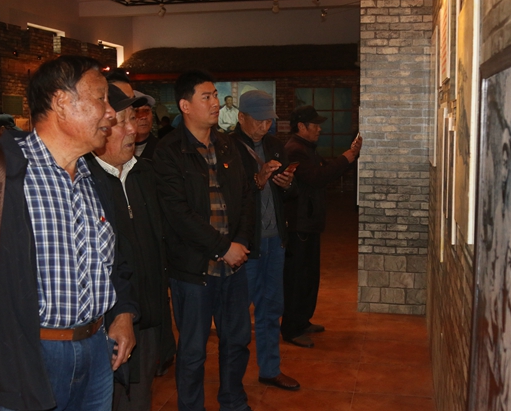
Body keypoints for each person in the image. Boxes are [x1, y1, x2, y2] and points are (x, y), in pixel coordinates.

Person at [0, 55, 137, 411]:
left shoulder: (96, 180)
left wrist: (123, 313)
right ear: (61, 102)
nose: (111, 113)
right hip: (25, 359)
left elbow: (115, 263)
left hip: (97, 354)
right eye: (100, 98)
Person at [153, 69, 254, 411]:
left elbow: (246, 197)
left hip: (233, 266)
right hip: (193, 270)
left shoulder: (227, 144)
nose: (215, 103)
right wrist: (222, 247)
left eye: (215, 95)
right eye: (206, 97)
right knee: (193, 351)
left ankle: (233, 401)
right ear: (185, 105)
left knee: (237, 342)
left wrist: (239, 243)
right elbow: (177, 213)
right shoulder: (168, 151)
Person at [86, 83, 169, 411]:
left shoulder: (145, 174)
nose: (133, 129)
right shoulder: (85, 182)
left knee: (139, 399)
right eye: (121, 122)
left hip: (148, 321)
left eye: (133, 118)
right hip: (107, 326)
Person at [230, 90, 300, 391]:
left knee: (272, 308)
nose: (264, 126)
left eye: (269, 120)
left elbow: (290, 194)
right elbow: (227, 197)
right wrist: (257, 181)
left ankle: (270, 369)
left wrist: (287, 184)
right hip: (246, 244)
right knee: (236, 314)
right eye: (258, 120)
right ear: (241, 117)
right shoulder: (228, 148)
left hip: (274, 240)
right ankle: (231, 379)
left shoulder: (274, 145)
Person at [280, 105, 362, 348]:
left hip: (309, 222)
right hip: (299, 224)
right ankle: (292, 328)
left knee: (309, 276)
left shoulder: (306, 148)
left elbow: (326, 171)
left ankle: (302, 320)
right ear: (301, 126)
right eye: (315, 125)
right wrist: (347, 157)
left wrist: (350, 157)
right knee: (297, 278)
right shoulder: (295, 150)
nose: (319, 129)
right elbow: (317, 177)